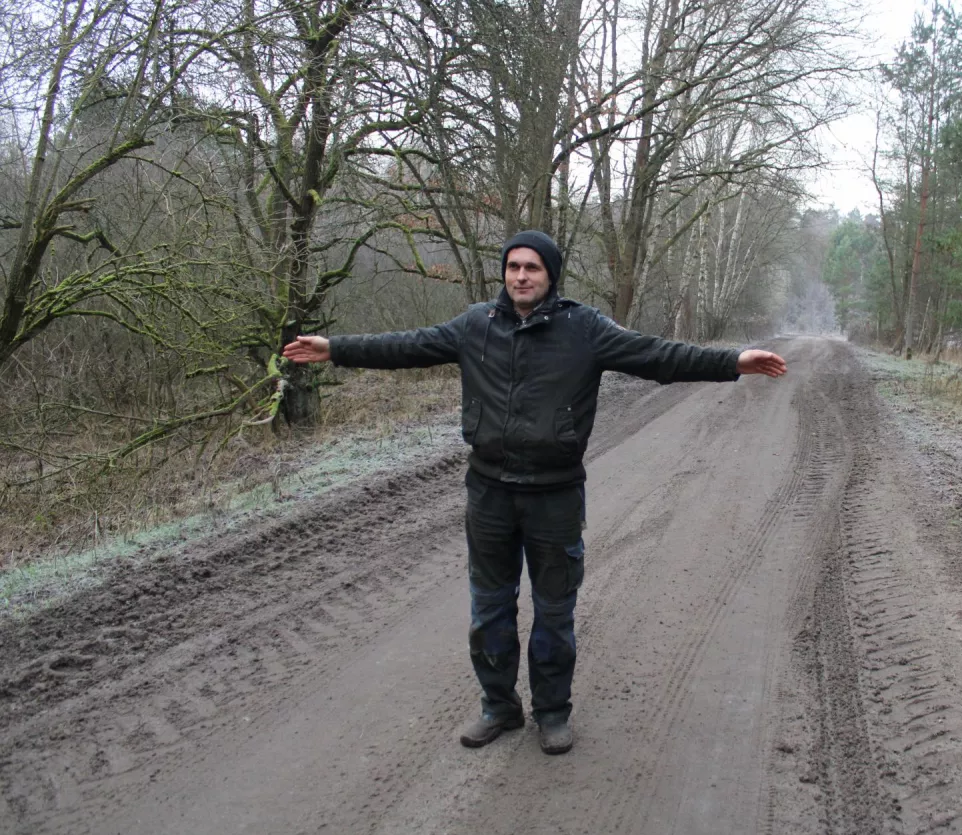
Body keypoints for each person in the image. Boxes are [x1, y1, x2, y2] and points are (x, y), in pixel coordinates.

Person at [283, 230, 786, 755]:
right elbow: (407, 345)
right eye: (513, 267)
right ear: (504, 272)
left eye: (532, 268)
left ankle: (552, 712)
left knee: (553, 612)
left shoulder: (584, 328)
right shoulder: (476, 324)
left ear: (550, 276)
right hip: (489, 495)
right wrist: (335, 348)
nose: (521, 276)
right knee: (489, 610)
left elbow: (659, 356)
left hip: (555, 497)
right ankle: (499, 707)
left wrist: (732, 362)